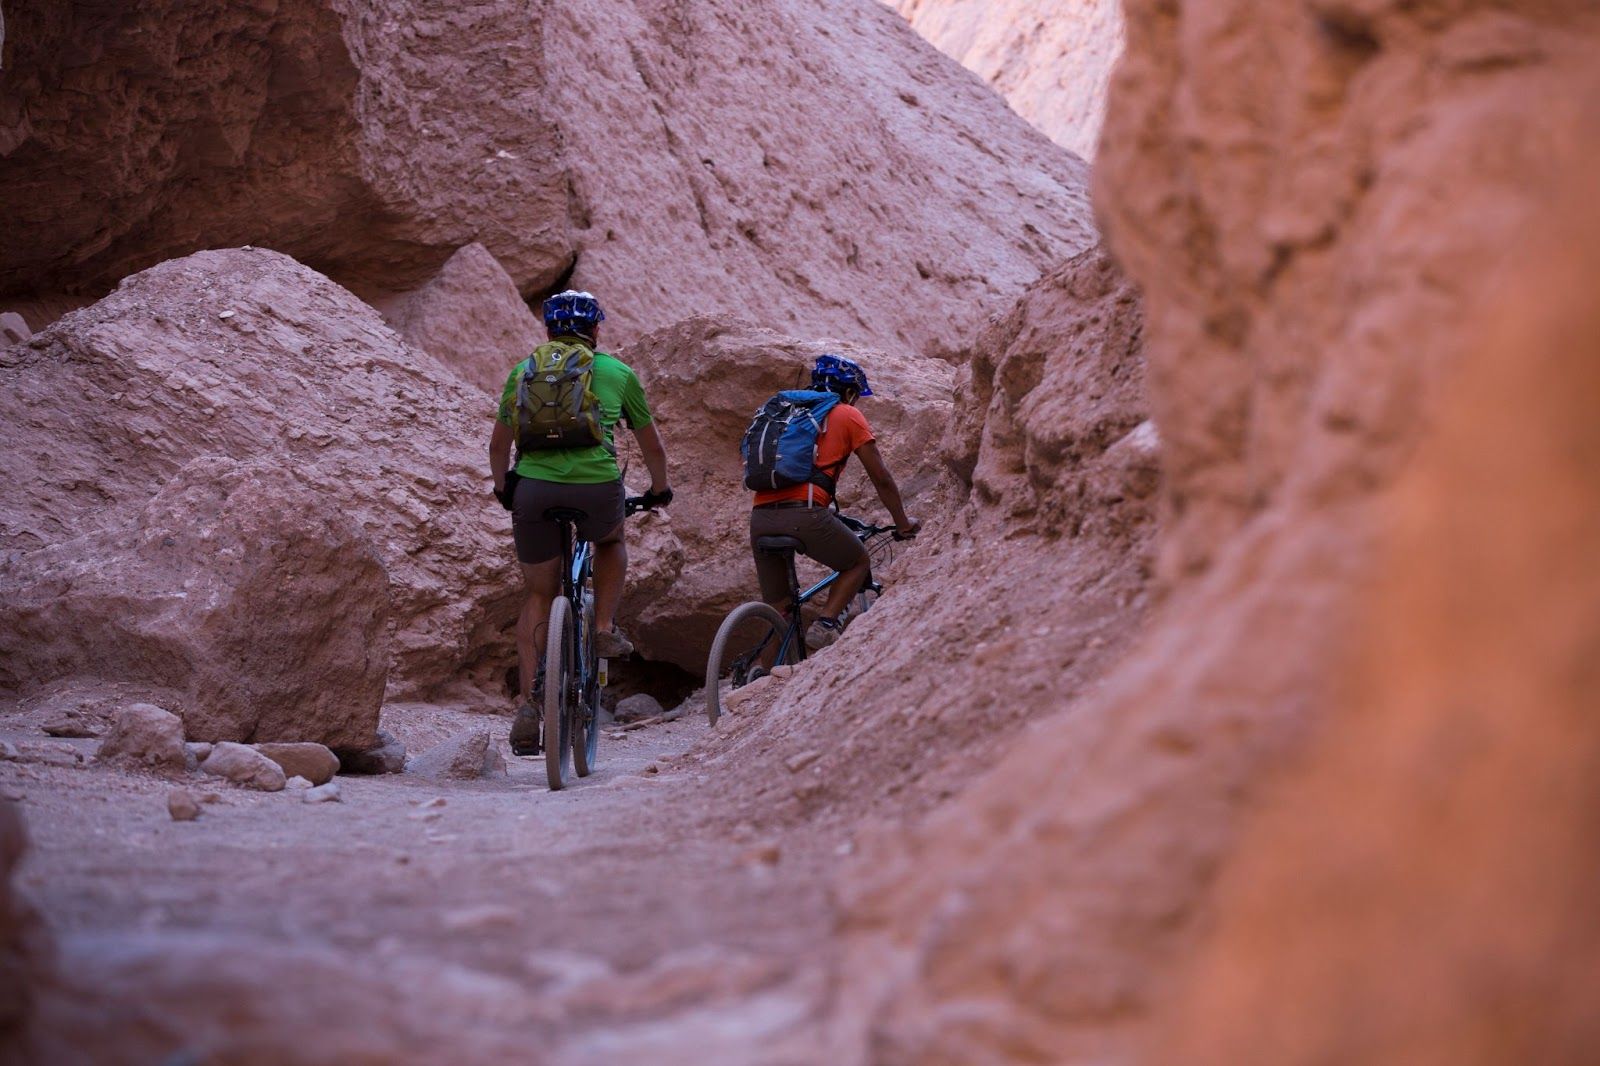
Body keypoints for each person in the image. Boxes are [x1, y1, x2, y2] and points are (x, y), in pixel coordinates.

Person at [489, 290, 671, 753]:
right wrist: (658, 489)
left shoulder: (523, 371)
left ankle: (531, 705)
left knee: (537, 593)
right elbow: (652, 447)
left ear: (548, 331)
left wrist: (502, 487)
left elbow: (498, 447)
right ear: (596, 330)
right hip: (596, 487)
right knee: (610, 542)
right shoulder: (617, 372)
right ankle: (605, 628)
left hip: (532, 487)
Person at [749, 354, 919, 651]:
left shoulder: (785, 414)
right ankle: (826, 624)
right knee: (857, 561)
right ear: (850, 392)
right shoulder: (846, 414)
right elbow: (881, 478)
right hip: (806, 516)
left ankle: (760, 677)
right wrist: (903, 524)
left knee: (778, 607)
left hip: (760, 518)